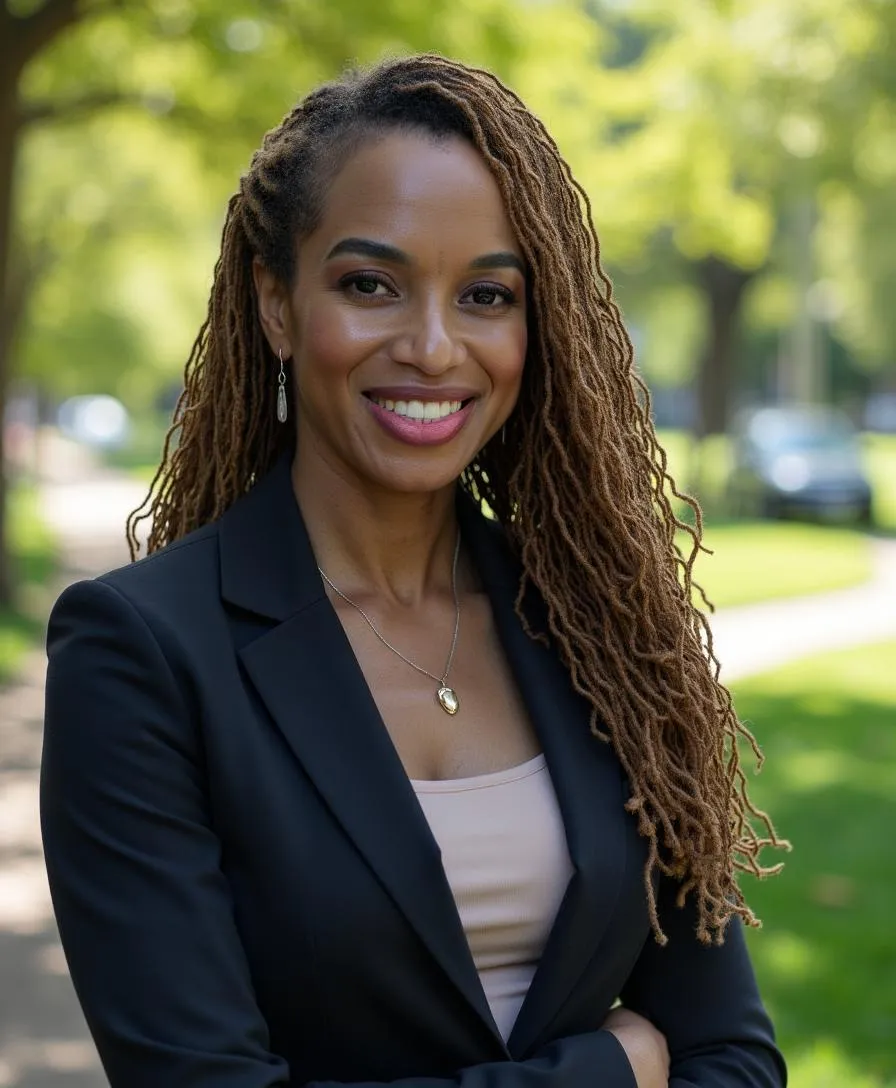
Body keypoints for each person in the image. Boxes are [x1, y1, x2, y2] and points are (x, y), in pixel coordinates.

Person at [41, 53, 788, 1088]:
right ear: (274, 302)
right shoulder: (142, 654)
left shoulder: (597, 631)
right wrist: (607, 1071)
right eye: (368, 284)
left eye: (486, 293)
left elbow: (732, 1055)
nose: (433, 347)